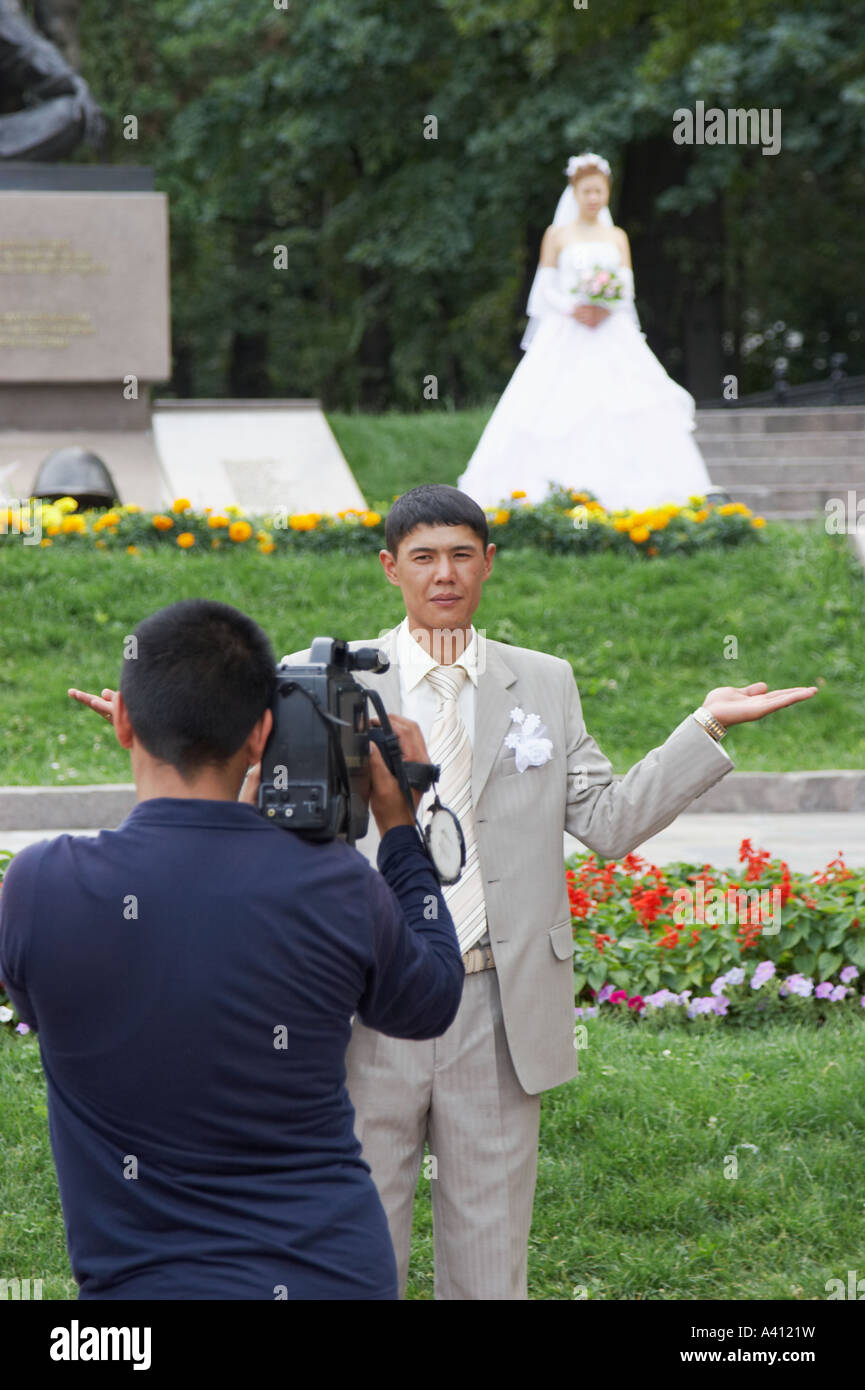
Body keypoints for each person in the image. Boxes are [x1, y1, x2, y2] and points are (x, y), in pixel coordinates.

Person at [279, 484, 816, 1300]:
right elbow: (282, 830)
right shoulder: (325, 680)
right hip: (366, 1008)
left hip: (498, 1005)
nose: (444, 574)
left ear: (488, 563)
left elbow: (605, 821)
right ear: (390, 568)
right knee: (352, 1262)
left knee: (491, 1269)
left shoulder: (542, 681)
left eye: (462, 553)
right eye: (423, 557)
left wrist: (701, 728)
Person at [0, 598, 464, 1300]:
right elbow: (428, 1002)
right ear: (261, 734)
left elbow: (47, 1001)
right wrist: (399, 830)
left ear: (123, 720)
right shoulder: (335, 883)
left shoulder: (40, 885)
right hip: (330, 1275)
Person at [457, 152, 722, 513]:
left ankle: (641, 495)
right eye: (587, 191)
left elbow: (627, 284)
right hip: (567, 328)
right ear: (575, 192)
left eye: (600, 191)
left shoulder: (617, 236)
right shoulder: (557, 235)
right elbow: (545, 287)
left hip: (610, 328)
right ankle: (552, 494)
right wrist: (573, 307)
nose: (594, 198)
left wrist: (605, 303)